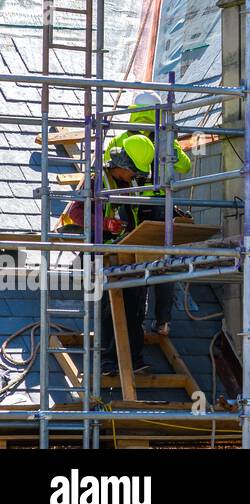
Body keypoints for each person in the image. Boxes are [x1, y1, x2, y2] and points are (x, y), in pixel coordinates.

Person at [111, 93, 191, 336]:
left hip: (132, 206)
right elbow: (185, 166)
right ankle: (163, 321)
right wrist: (171, 151)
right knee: (163, 264)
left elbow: (107, 167)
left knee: (137, 260)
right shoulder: (165, 140)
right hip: (159, 208)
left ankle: (137, 320)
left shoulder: (123, 138)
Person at [98, 136, 156, 377]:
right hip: (102, 256)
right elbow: (76, 215)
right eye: (131, 171)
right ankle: (108, 361)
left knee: (136, 303)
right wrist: (105, 223)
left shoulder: (126, 185)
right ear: (120, 164)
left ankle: (133, 358)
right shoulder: (97, 180)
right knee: (112, 305)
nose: (134, 176)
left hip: (127, 255)